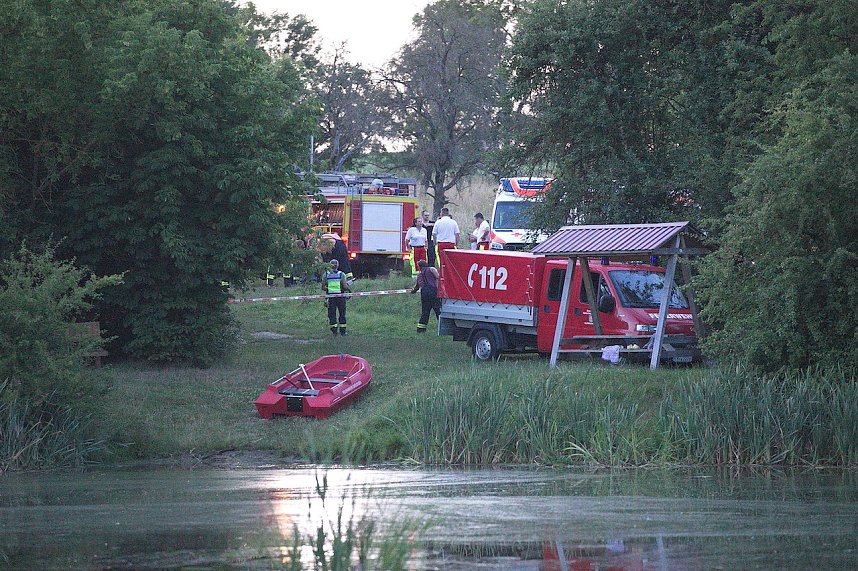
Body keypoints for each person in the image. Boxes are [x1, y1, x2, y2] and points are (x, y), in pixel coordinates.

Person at [411, 260, 441, 333]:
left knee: (425, 312)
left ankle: (420, 330)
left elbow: (416, 287)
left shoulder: (419, 275)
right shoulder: (431, 269)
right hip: (433, 292)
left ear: (419, 266)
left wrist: (413, 291)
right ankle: (442, 328)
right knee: (438, 311)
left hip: (424, 293)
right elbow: (438, 277)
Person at [323, 259, 350, 336]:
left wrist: (329, 288)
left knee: (332, 314)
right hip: (340, 297)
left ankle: (334, 331)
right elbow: (344, 287)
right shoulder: (341, 274)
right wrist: (347, 287)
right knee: (342, 313)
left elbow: (323, 287)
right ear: (337, 266)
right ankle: (343, 331)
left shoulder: (326, 274)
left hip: (330, 297)